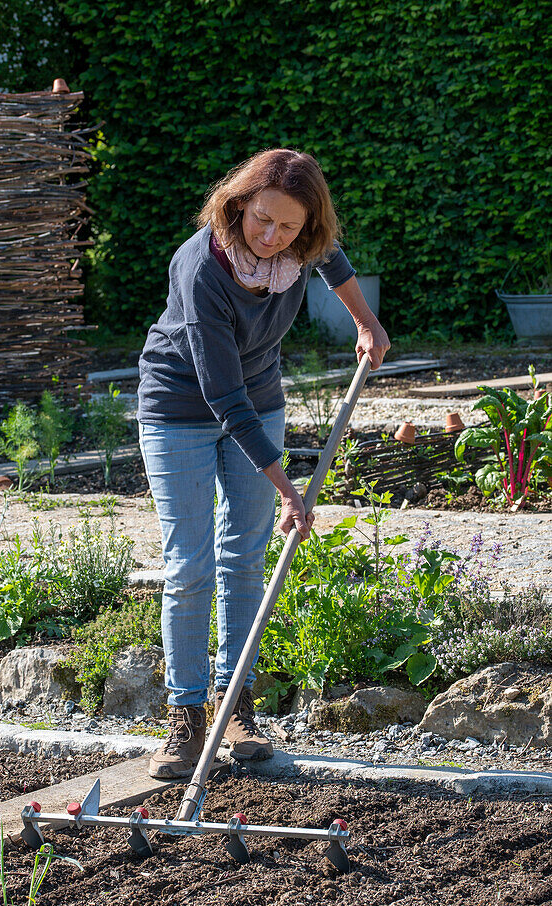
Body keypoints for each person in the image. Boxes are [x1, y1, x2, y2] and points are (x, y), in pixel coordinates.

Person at [137, 148, 390, 780]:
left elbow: (331, 257)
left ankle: (235, 703)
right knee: (189, 565)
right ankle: (187, 715)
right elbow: (222, 395)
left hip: (260, 399)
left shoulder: (303, 246)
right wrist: (288, 488)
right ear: (238, 203)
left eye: (288, 227)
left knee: (244, 559)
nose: (272, 236)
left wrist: (366, 321)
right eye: (261, 220)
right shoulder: (200, 265)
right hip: (180, 408)